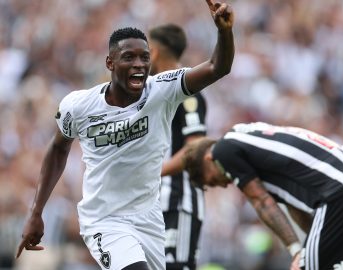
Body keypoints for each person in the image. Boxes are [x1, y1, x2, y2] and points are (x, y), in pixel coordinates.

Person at [15, 1, 234, 269]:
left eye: (144, 57)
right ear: (110, 62)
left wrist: (224, 32)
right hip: (104, 220)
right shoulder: (79, 105)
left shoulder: (162, 91)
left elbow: (217, 68)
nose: (139, 64)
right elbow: (58, 149)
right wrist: (36, 212)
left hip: (149, 219)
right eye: (128, 57)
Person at [183, 122, 343, 270]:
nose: (223, 184)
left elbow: (262, 202)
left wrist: (298, 251)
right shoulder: (255, 144)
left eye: (211, 181)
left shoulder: (223, 150)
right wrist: (314, 246)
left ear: (208, 160)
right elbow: (294, 206)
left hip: (341, 195)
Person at [148, 23, 207, 269]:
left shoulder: (187, 91)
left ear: (155, 52)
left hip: (179, 200)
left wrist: (153, 172)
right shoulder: (152, 92)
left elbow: (196, 147)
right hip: (152, 203)